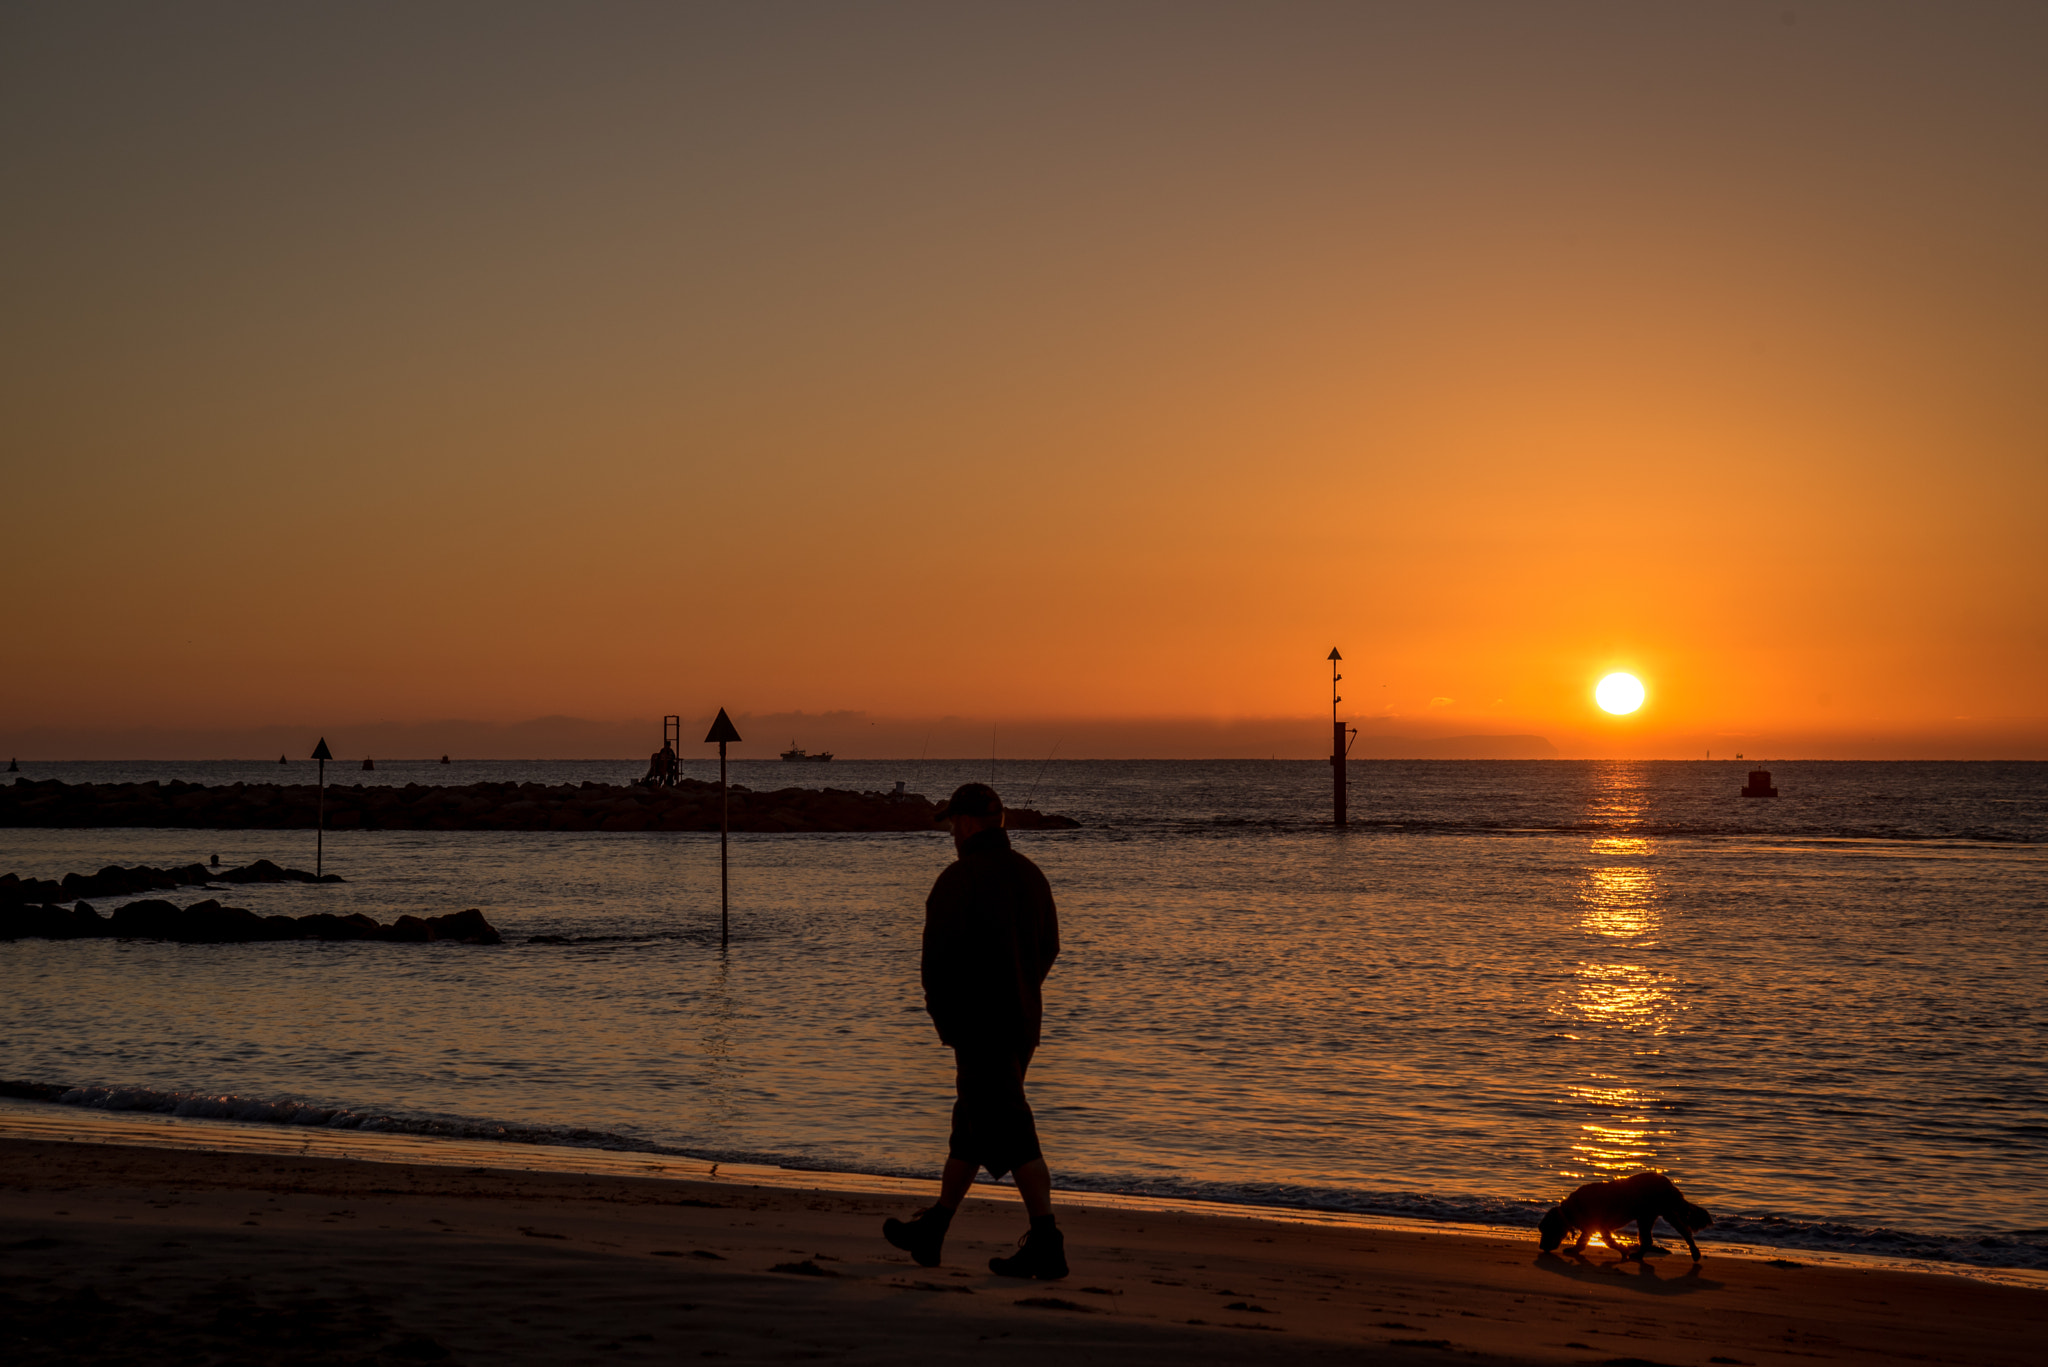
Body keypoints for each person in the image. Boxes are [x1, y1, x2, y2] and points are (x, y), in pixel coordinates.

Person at [883, 782, 1065, 1279]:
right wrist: (1022, 992)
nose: (950, 834)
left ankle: (1047, 1239)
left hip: (979, 1027)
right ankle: (934, 1228)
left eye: (951, 825)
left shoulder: (958, 879)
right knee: (972, 1126)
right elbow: (1048, 948)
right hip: (1022, 1022)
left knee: (1011, 1127)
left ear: (963, 823)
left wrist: (947, 1023)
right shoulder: (1032, 875)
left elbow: (935, 964)